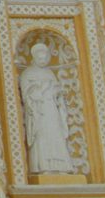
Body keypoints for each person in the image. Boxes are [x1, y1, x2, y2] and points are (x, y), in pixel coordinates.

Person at [19, 41, 74, 175]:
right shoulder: (28, 73)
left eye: (45, 58)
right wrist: (41, 90)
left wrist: (58, 93)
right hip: (40, 112)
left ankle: (61, 166)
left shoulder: (50, 73)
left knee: (56, 136)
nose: (43, 60)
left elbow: (56, 91)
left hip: (52, 111)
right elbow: (27, 94)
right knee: (42, 138)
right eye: (40, 58)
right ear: (35, 57)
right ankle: (43, 166)